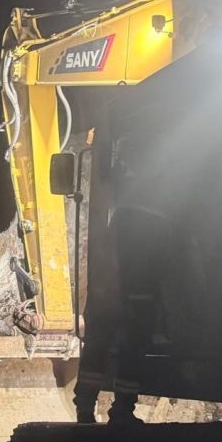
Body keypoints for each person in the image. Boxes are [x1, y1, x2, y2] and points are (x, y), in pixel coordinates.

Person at [74, 134, 170, 426]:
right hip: (136, 291)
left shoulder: (122, 209)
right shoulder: (154, 210)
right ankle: (122, 409)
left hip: (109, 292)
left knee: (98, 343)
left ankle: (86, 407)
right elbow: (154, 257)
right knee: (133, 348)